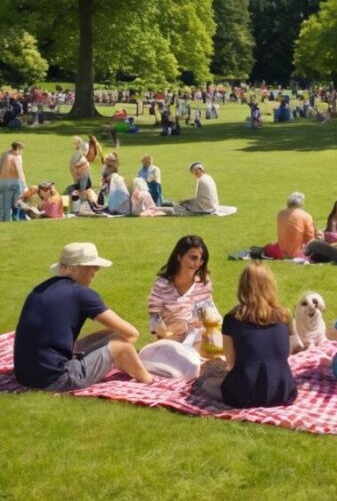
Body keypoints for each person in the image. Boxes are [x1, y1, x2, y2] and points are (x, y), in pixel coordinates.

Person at [14, 242, 153, 389]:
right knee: (120, 344)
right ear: (78, 269)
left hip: (24, 375)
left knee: (111, 334)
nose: (97, 270)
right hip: (56, 379)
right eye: (93, 266)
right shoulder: (81, 294)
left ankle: (122, 362)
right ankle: (148, 380)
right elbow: (132, 334)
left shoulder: (43, 288)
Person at [200, 263, 296, 408]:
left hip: (244, 394)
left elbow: (231, 363)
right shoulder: (284, 316)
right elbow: (283, 354)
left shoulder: (232, 319)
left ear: (243, 287)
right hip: (282, 390)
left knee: (206, 381)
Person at [148, 235, 214, 340]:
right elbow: (154, 315)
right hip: (172, 335)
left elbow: (207, 310)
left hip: (197, 335)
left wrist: (200, 320)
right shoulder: (162, 284)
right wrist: (160, 328)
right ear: (179, 257)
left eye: (201, 259)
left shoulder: (202, 282)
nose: (196, 263)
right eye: (193, 258)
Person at [265, 192, 317, 259]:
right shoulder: (306, 216)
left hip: (280, 252)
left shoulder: (280, 214)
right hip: (299, 253)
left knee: (270, 246)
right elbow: (310, 238)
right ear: (302, 203)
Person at [0, 140, 26, 222]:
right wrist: (24, 185)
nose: (21, 152)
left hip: (2, 182)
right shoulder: (16, 158)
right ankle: (15, 219)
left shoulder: (4, 155)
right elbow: (20, 172)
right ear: (17, 148)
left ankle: (3, 220)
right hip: (13, 182)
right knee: (17, 202)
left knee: (4, 204)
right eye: (21, 150)